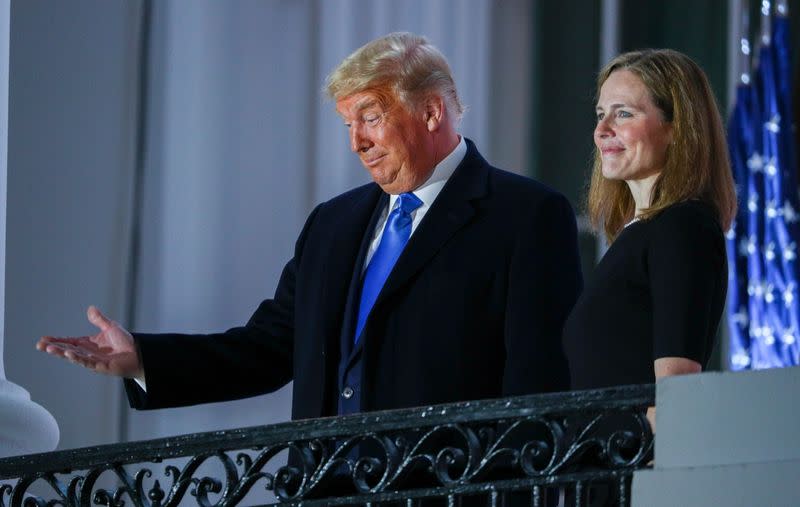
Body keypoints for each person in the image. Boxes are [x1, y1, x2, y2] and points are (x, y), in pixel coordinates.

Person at [37, 33, 582, 422]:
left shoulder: (526, 216)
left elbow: (537, 386)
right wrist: (144, 360)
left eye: (370, 117)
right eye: (349, 124)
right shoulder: (334, 224)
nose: (356, 143)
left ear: (433, 112)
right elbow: (268, 348)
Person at [562, 49, 736, 394]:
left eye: (623, 114)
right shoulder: (640, 233)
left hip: (638, 449)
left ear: (676, 129)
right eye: (600, 114)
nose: (601, 130)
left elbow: (675, 391)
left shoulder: (683, 228)